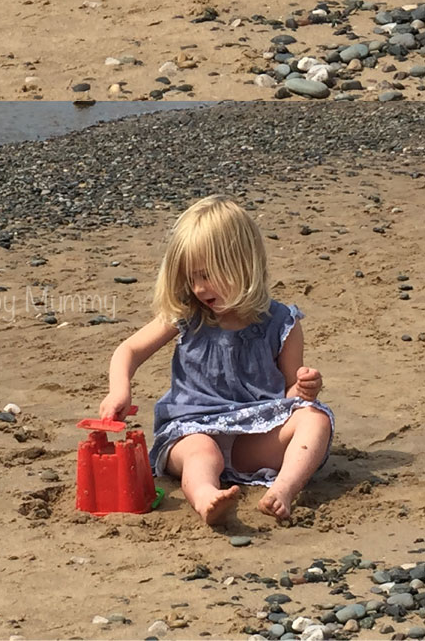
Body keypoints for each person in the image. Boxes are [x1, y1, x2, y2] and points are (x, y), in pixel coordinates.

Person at [99, 196, 333, 525]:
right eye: (191, 278)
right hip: (191, 429)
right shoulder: (187, 315)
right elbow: (129, 351)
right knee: (202, 454)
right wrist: (119, 390)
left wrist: (306, 386)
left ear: (242, 264)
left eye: (207, 275)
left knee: (315, 419)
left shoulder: (282, 323)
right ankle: (206, 496)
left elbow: (290, 396)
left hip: (252, 434)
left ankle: (283, 489)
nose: (198, 288)